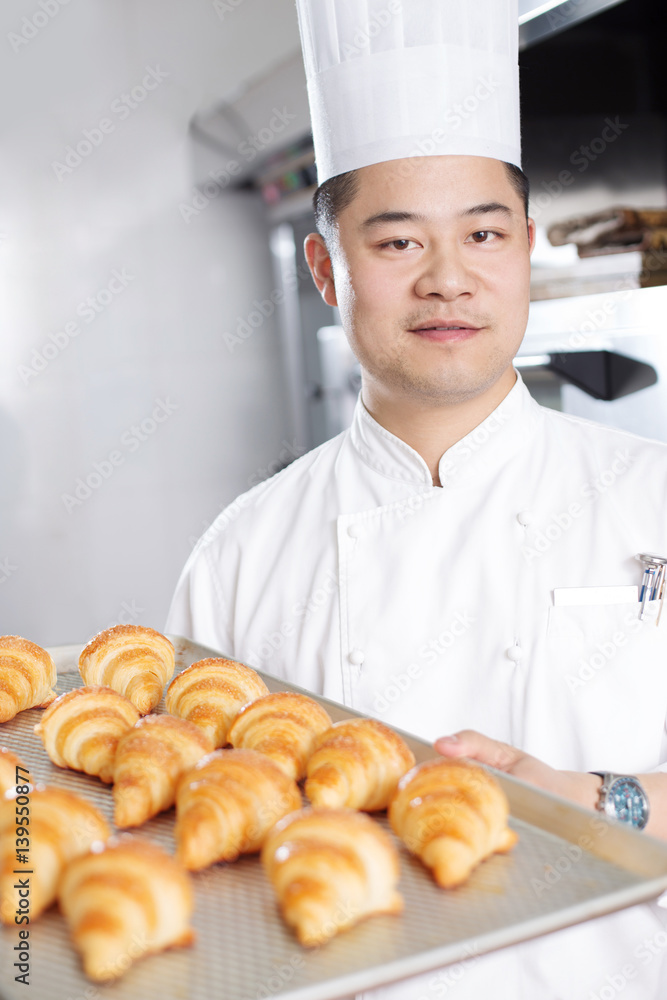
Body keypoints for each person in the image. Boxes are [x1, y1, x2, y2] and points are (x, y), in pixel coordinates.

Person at [167, 3, 667, 997]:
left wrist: (591, 798)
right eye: (396, 245)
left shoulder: (650, 496)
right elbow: (188, 847)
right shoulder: (239, 555)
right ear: (325, 269)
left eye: (482, 234)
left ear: (525, 247)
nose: (448, 279)